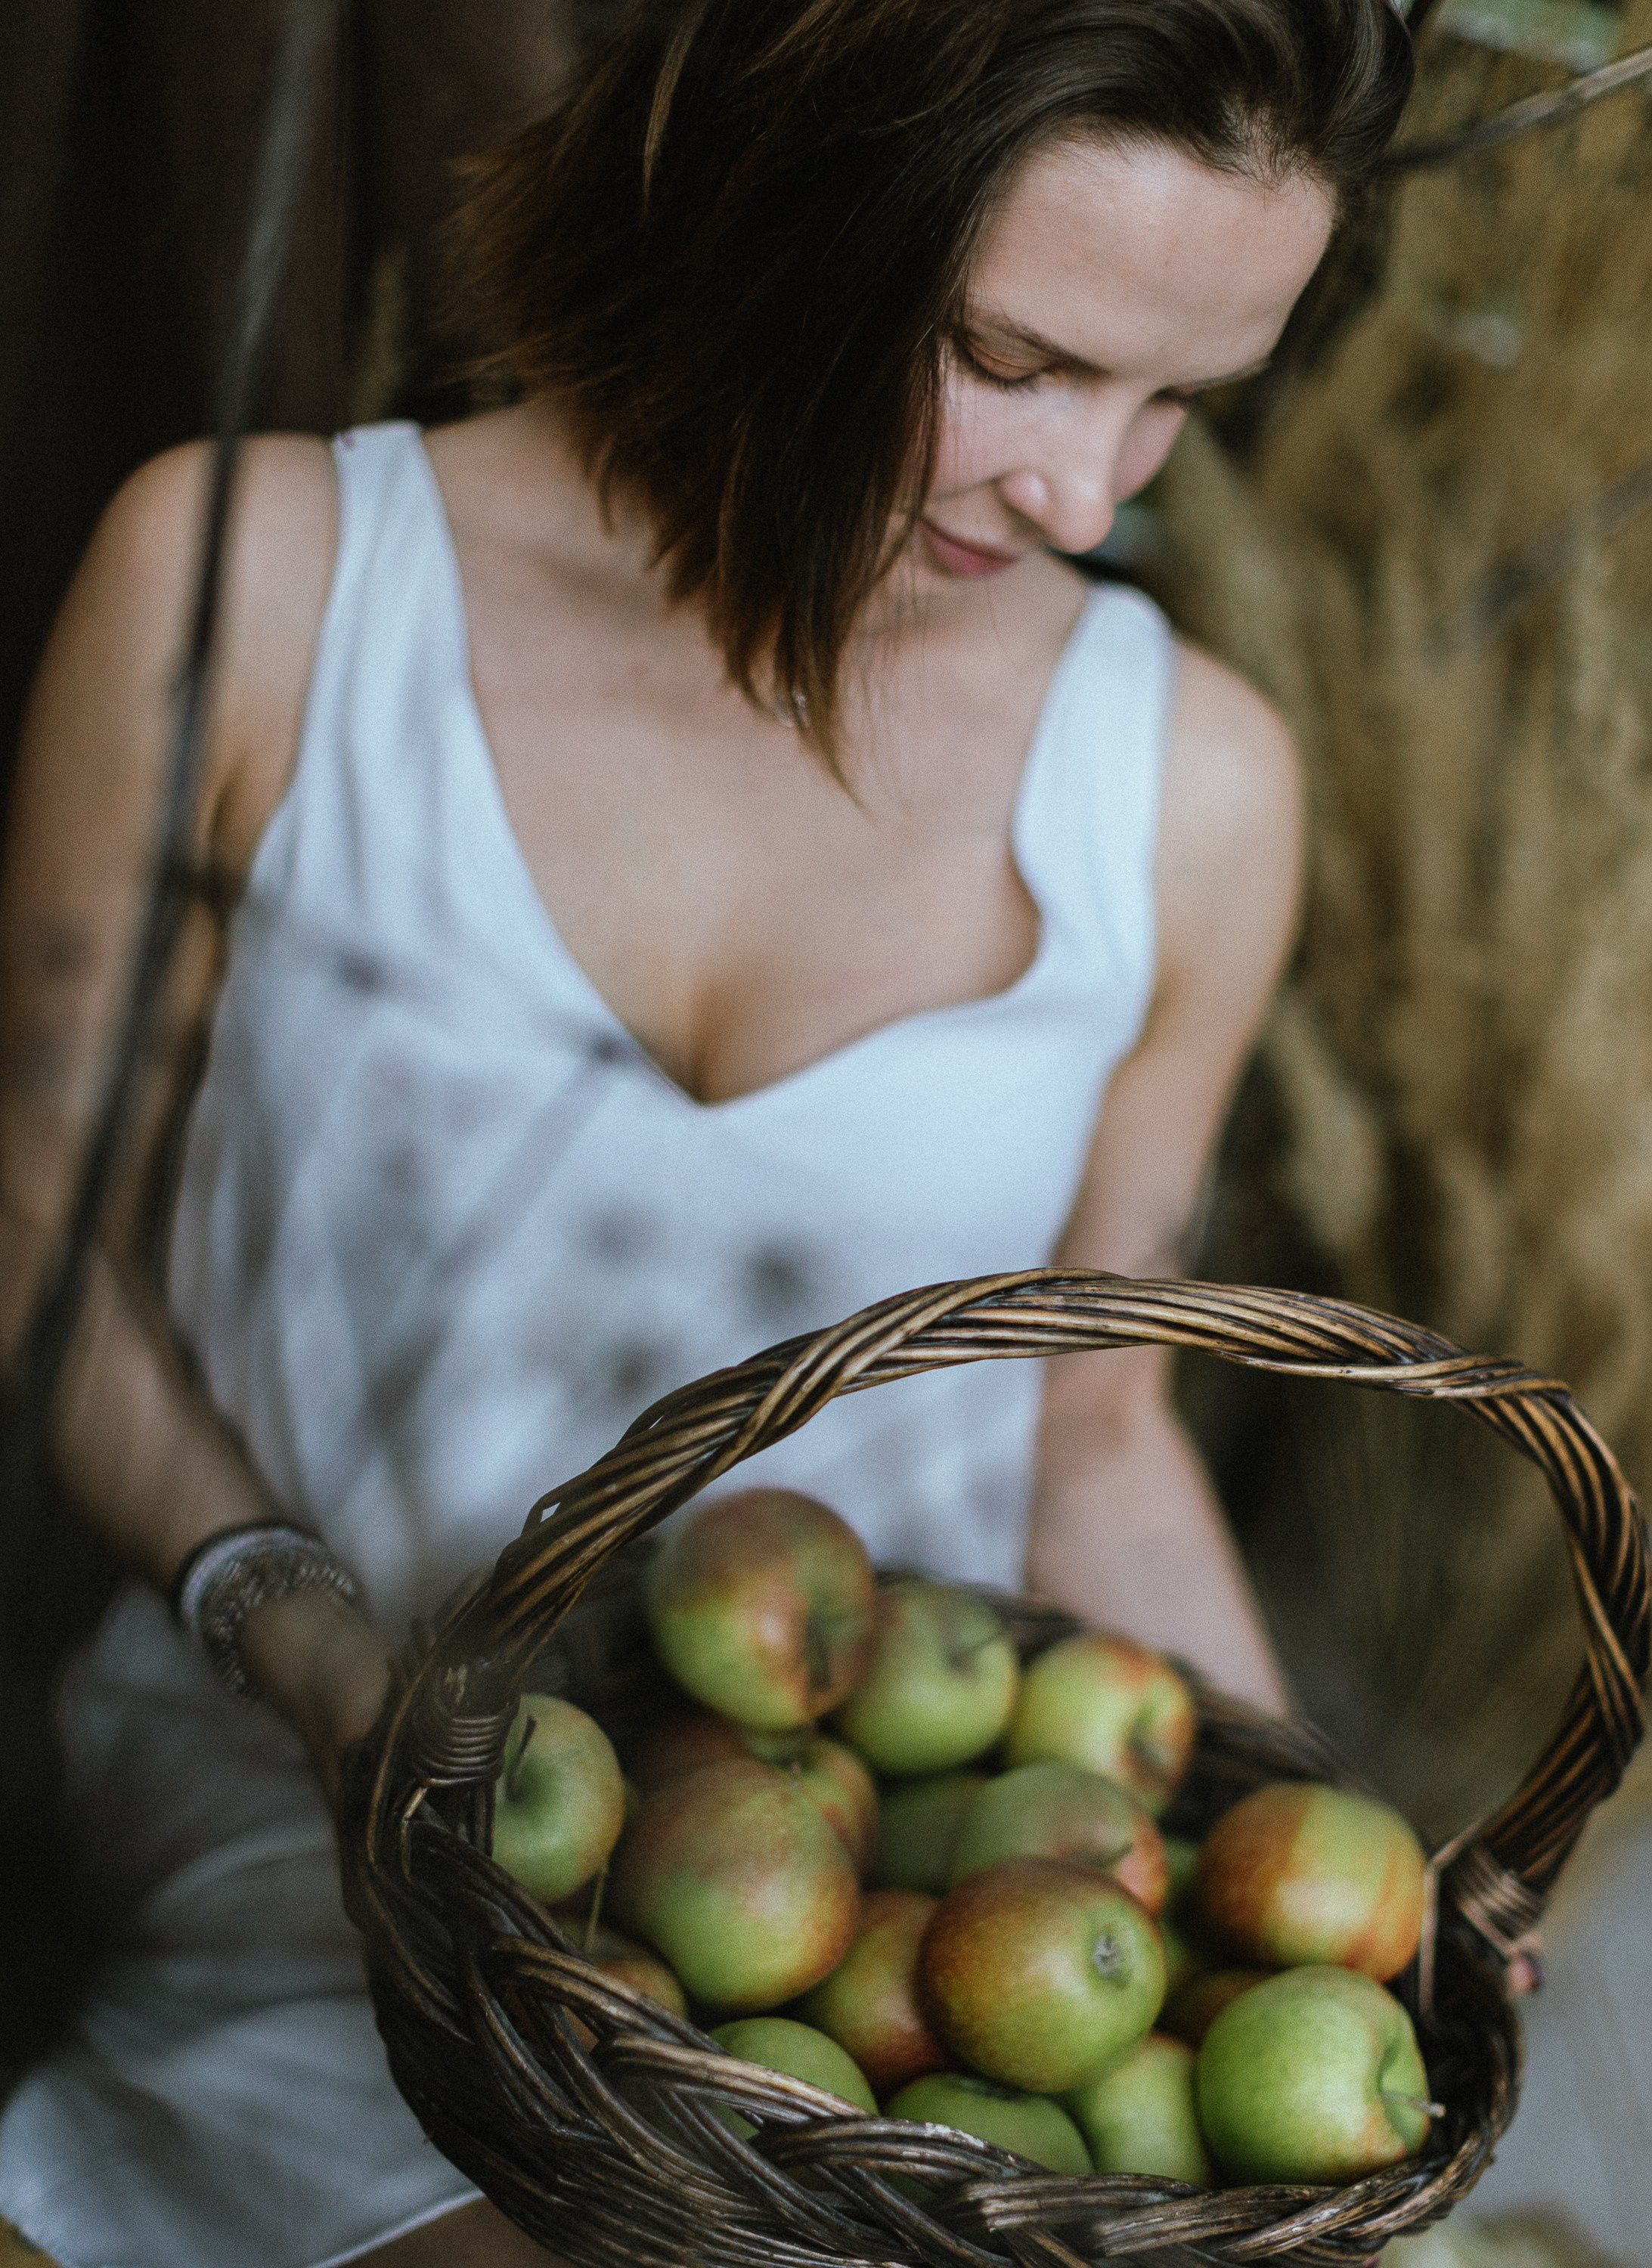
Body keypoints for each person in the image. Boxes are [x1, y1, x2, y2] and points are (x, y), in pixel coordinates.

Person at [0, 0, 1412, 2261]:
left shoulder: (1187, 785)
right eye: (1014, 357)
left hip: (893, 1883)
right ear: (771, 202)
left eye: (1176, 403)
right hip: (290, 1776)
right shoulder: (256, 593)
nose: (1087, 495)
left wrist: (1327, 1903)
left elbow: (1096, 1440)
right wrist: (309, 1648)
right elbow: (36, 1203)